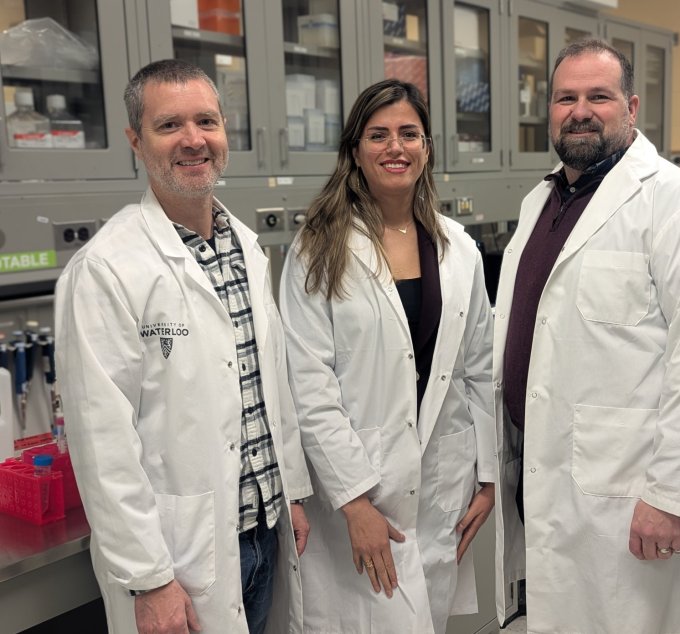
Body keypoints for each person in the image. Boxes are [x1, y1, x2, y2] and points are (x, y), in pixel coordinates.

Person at [493, 39, 680, 633]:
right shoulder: (539, 202)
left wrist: (672, 498)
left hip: (629, 493)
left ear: (630, 107)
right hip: (545, 476)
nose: (580, 110)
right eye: (565, 98)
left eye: (598, 96)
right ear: (548, 111)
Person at [55, 59, 312, 634]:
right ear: (135, 142)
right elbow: (103, 448)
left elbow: (270, 388)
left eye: (206, 122)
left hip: (266, 533)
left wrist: (291, 493)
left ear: (225, 132)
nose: (193, 140)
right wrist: (150, 579)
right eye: (169, 125)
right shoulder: (106, 269)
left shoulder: (246, 247)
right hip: (179, 562)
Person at [278, 78, 496, 634]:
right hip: (360, 488)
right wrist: (353, 502)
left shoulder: (458, 248)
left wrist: (490, 477)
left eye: (409, 133)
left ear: (427, 147)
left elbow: (479, 368)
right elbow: (308, 384)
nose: (394, 147)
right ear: (355, 150)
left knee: (429, 618)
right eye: (378, 135)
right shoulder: (317, 249)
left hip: (443, 481)